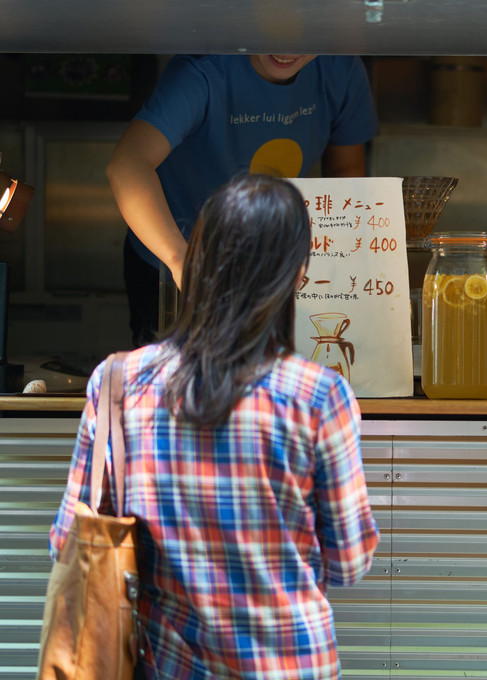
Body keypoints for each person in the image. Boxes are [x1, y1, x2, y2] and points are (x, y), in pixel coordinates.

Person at [49, 174, 380, 679]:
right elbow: (351, 562)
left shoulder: (117, 382)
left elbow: (68, 540)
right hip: (291, 665)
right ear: (296, 276)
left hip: (166, 665)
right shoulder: (319, 396)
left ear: (197, 264)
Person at [107, 54, 378, 346]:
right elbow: (127, 165)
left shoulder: (340, 68)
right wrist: (181, 262)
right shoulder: (203, 71)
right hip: (174, 256)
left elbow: (345, 169)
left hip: (271, 263)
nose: (286, 46)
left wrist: (333, 257)